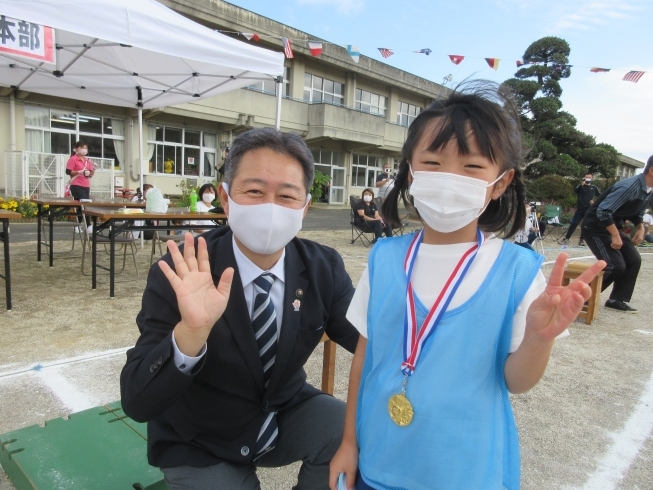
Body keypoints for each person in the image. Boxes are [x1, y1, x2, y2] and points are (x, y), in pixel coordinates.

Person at [329, 82, 605, 490]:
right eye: (433, 163)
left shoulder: (517, 269)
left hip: (469, 472)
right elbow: (363, 359)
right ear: (410, 170)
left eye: (472, 167)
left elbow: (517, 381)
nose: (449, 179)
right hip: (380, 461)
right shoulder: (385, 258)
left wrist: (539, 338)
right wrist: (349, 442)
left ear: (500, 182)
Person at [120, 128, 359, 490]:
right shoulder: (182, 271)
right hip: (199, 435)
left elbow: (371, 340)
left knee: (347, 429)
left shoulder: (322, 267)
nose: (271, 207)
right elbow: (137, 401)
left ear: (305, 206)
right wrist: (190, 334)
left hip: (282, 410)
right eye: (254, 191)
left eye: (287, 195)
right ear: (226, 198)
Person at [581, 156, 653, 313]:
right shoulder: (630, 186)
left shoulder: (649, 189)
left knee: (633, 259)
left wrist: (640, 227)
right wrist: (615, 235)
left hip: (612, 226)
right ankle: (579, 298)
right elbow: (603, 211)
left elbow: (637, 214)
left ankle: (616, 299)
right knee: (615, 265)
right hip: (595, 226)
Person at [561, 172, 600, 246]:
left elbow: (601, 195)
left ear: (592, 178)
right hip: (580, 209)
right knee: (574, 224)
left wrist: (594, 202)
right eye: (586, 177)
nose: (588, 179)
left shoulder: (594, 187)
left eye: (589, 177)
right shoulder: (580, 186)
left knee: (585, 225)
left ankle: (581, 240)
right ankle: (567, 238)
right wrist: (582, 184)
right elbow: (576, 191)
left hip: (588, 210)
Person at [66, 140, 96, 229]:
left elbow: (90, 175)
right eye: (82, 147)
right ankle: (89, 226)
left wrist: (93, 169)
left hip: (86, 185)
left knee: (81, 205)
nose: (84, 150)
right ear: (76, 149)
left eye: (85, 148)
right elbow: (68, 171)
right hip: (76, 184)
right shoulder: (73, 159)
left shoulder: (87, 160)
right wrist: (79, 171)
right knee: (85, 203)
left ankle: (77, 225)